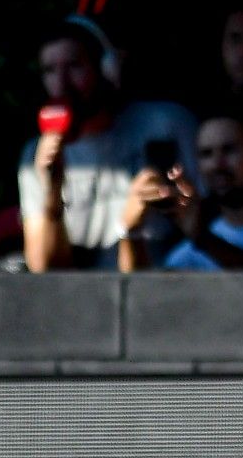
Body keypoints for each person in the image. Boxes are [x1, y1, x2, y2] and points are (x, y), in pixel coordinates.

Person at [18, 18, 197, 271]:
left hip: (166, 277)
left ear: (106, 68)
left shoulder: (167, 123)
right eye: (49, 70)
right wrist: (52, 192)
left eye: (73, 66)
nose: (62, 82)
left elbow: (215, 221)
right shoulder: (36, 156)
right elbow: (43, 269)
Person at [117, 113, 243, 271]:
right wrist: (131, 233)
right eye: (206, 154)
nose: (218, 164)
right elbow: (144, 301)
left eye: (229, 150)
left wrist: (203, 239)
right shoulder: (190, 252)